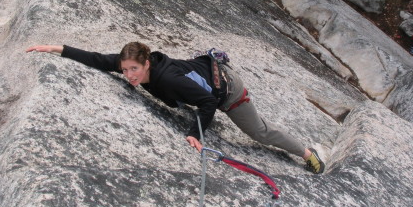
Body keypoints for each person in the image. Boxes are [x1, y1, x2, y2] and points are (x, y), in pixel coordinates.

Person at [26, 42, 325, 174]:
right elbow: (95, 59)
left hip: (227, 90)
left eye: (134, 70)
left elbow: (209, 102)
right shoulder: (134, 68)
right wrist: (55, 49)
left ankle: (308, 154)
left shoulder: (166, 78)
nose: (129, 76)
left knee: (259, 131)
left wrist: (195, 132)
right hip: (201, 78)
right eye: (125, 70)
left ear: (146, 64)